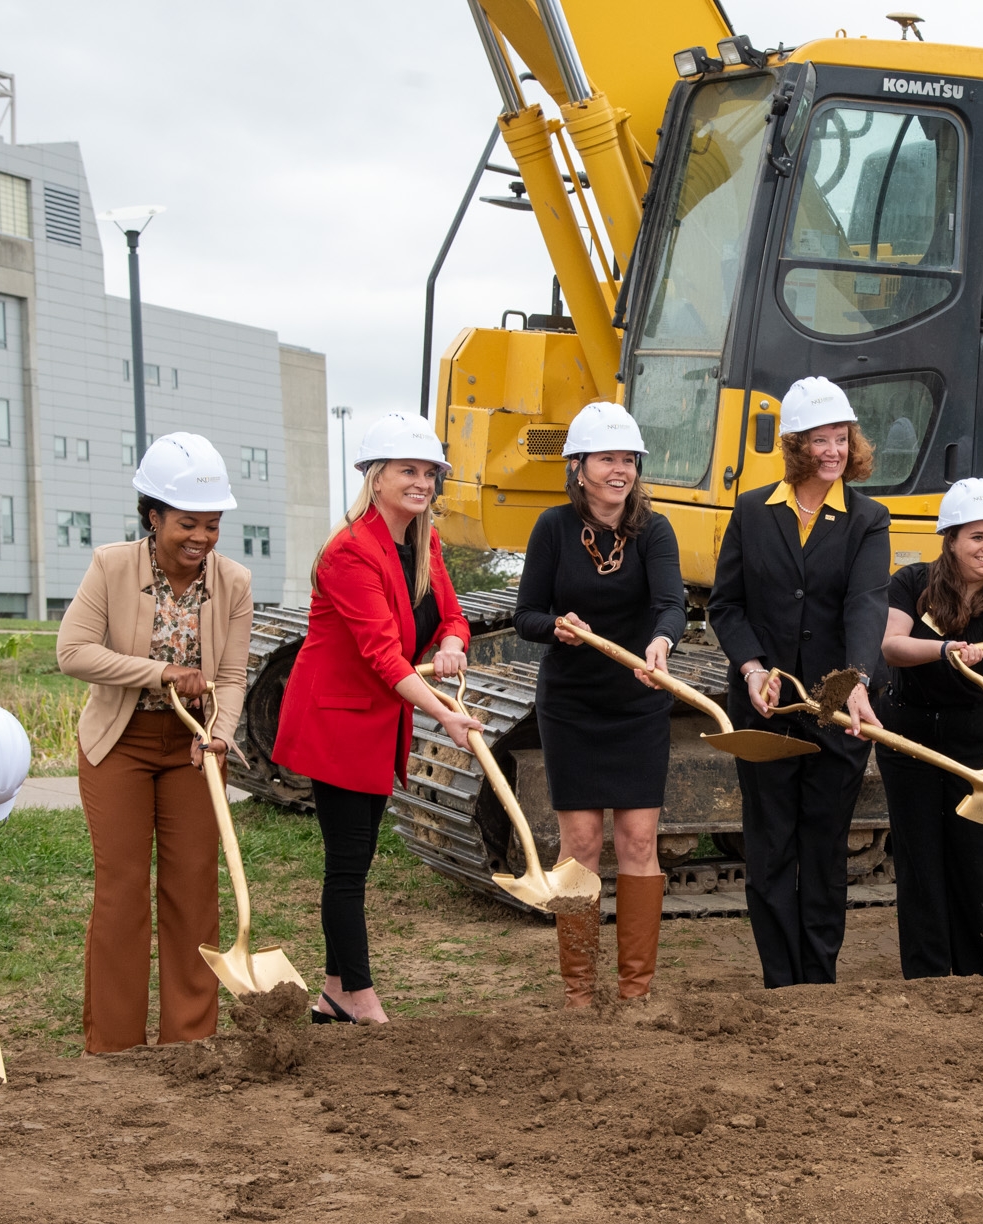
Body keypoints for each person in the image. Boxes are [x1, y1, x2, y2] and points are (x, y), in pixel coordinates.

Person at [273, 413, 476, 1022]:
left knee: (356, 859)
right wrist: (446, 713)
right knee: (348, 860)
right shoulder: (349, 552)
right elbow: (382, 654)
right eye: (406, 471)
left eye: (429, 473)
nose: (421, 483)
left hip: (380, 717)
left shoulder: (422, 541)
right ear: (375, 477)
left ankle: (334, 991)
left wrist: (451, 646)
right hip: (336, 721)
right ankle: (357, 994)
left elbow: (452, 617)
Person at [56, 434, 253, 1053]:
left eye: (212, 525)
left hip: (194, 746)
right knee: (120, 890)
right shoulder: (111, 567)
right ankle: (113, 1045)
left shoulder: (234, 582)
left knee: (194, 888)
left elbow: (231, 676)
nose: (201, 538)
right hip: (120, 743)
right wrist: (161, 672)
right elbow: (73, 652)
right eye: (187, 523)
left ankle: (189, 1041)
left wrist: (218, 739)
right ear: (154, 516)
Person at [708, 376, 889, 987]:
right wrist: (754, 668)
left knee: (823, 846)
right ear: (795, 446)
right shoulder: (753, 512)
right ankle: (779, 981)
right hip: (766, 710)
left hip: (835, 710)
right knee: (771, 845)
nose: (834, 451)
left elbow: (866, 602)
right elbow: (726, 606)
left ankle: (819, 979)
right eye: (821, 440)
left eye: (842, 439)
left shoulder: (868, 519)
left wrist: (857, 679)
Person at [514, 402, 685, 1006]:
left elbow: (671, 604)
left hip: (638, 702)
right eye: (607, 459)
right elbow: (526, 613)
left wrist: (661, 641)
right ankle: (578, 994)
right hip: (572, 705)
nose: (620, 470)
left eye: (628, 460)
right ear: (578, 466)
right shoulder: (552, 528)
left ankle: (635, 992)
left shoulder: (654, 531)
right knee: (581, 844)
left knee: (639, 842)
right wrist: (554, 625)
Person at [877, 479, 983, 979]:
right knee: (919, 856)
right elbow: (891, 645)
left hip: (975, 740)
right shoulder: (911, 582)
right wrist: (944, 649)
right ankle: (926, 975)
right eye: (977, 537)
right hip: (910, 736)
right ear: (950, 539)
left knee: (973, 855)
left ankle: (977, 973)